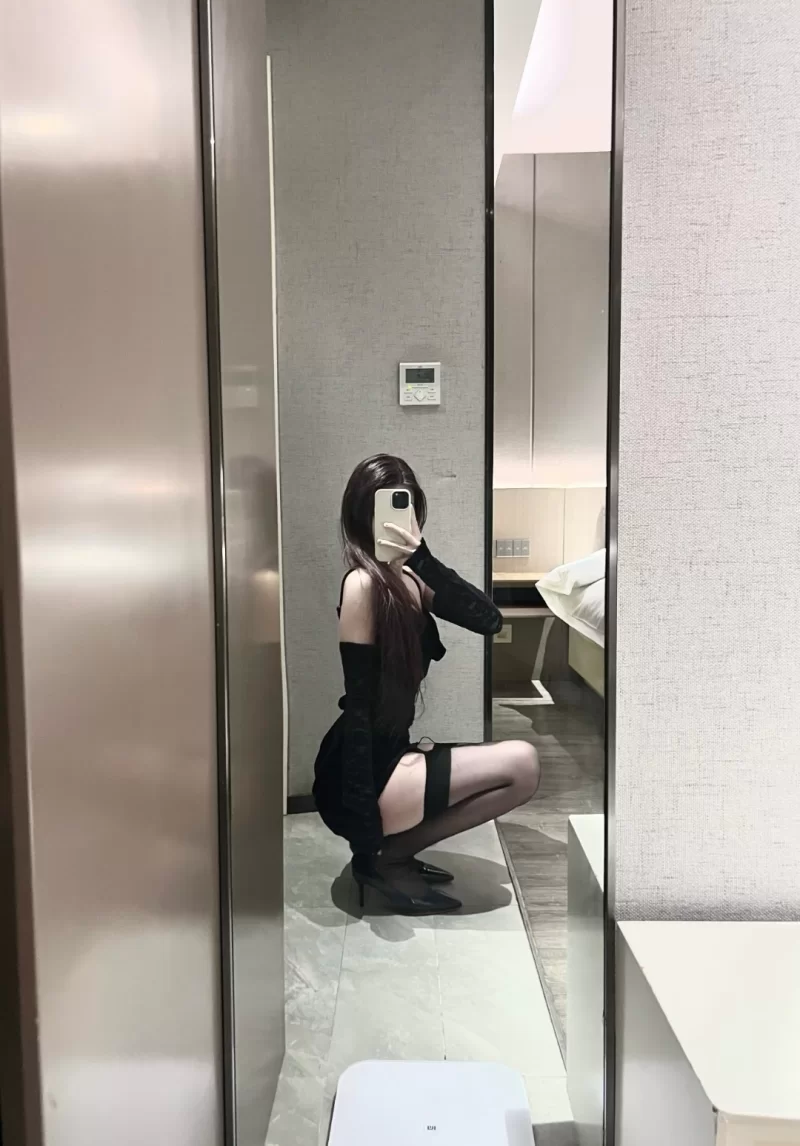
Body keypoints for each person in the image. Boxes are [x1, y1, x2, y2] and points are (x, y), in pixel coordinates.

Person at [313, 454, 541, 914]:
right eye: (385, 509)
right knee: (522, 763)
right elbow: (358, 709)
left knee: (523, 767)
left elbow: (489, 620)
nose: (399, 519)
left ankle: (394, 852)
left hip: (394, 755)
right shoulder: (362, 585)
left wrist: (423, 559)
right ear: (361, 516)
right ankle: (384, 856)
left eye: (408, 507)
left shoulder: (414, 580)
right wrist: (364, 827)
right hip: (362, 774)